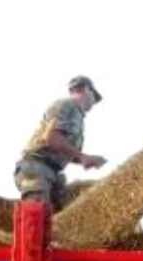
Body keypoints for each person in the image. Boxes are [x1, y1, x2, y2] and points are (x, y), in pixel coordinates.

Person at [14, 76, 108, 213]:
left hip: (53, 173)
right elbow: (51, 138)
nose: (94, 101)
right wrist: (82, 157)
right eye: (94, 95)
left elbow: (65, 149)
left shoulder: (79, 117)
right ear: (85, 89)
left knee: (60, 218)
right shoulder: (66, 104)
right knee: (37, 215)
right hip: (37, 168)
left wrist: (86, 159)